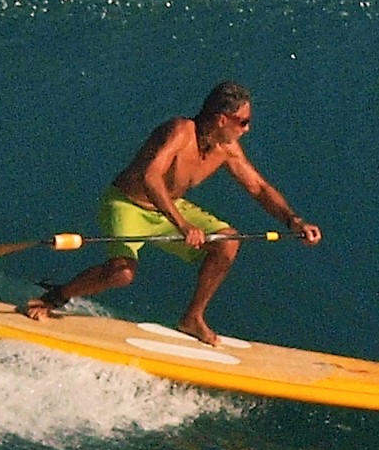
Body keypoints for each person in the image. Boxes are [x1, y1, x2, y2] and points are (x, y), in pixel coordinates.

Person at [22, 82, 323, 343]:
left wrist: (293, 220)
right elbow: (150, 176)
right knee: (121, 273)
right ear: (222, 119)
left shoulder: (226, 148)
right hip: (128, 204)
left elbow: (258, 187)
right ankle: (55, 296)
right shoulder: (180, 131)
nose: (247, 128)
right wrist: (182, 225)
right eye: (243, 122)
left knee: (228, 242)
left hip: (169, 207)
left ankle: (192, 318)